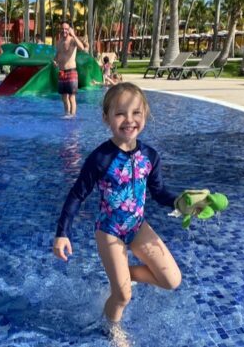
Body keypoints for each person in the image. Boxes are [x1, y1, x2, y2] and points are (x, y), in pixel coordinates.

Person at [53, 82, 182, 343]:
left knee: (171, 280)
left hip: (137, 227)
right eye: (120, 113)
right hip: (109, 231)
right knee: (123, 296)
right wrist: (62, 233)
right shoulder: (100, 158)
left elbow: (158, 193)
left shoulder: (150, 156)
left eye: (136, 113)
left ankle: (122, 275)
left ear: (145, 115)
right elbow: (77, 194)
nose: (129, 120)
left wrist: (182, 202)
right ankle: (111, 329)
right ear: (106, 118)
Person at [53, 21, 87, 118]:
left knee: (72, 96)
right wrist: (55, 61)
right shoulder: (59, 42)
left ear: (70, 30)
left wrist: (74, 35)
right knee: (64, 97)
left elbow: (82, 47)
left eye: (66, 29)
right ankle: (67, 114)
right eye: (63, 29)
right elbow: (58, 55)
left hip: (71, 71)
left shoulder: (73, 40)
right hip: (61, 71)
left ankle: (72, 116)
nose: (64, 31)